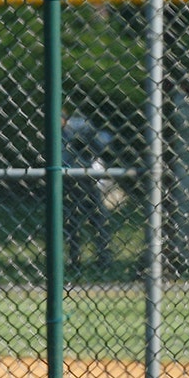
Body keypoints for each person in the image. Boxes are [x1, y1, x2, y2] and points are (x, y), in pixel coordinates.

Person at [63, 113, 115, 270]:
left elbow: (100, 144)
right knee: (72, 221)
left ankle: (103, 257)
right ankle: (74, 258)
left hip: (90, 177)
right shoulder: (57, 133)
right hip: (69, 178)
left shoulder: (84, 127)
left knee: (98, 219)